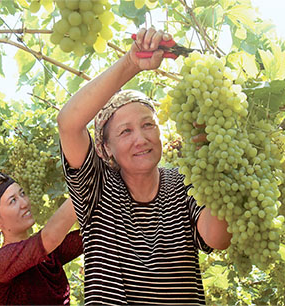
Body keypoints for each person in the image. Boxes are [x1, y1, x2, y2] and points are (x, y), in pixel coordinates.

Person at [57, 27, 232, 305]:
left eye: (148, 125)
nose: (141, 138)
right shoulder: (97, 189)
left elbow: (218, 237)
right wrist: (131, 63)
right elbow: (68, 123)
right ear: (105, 148)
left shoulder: (183, 182)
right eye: (125, 132)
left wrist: (213, 154)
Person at [0, 171, 83, 305]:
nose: (24, 203)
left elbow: (88, 237)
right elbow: (50, 237)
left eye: (22, 194)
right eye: (13, 200)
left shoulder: (49, 253)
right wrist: (84, 187)